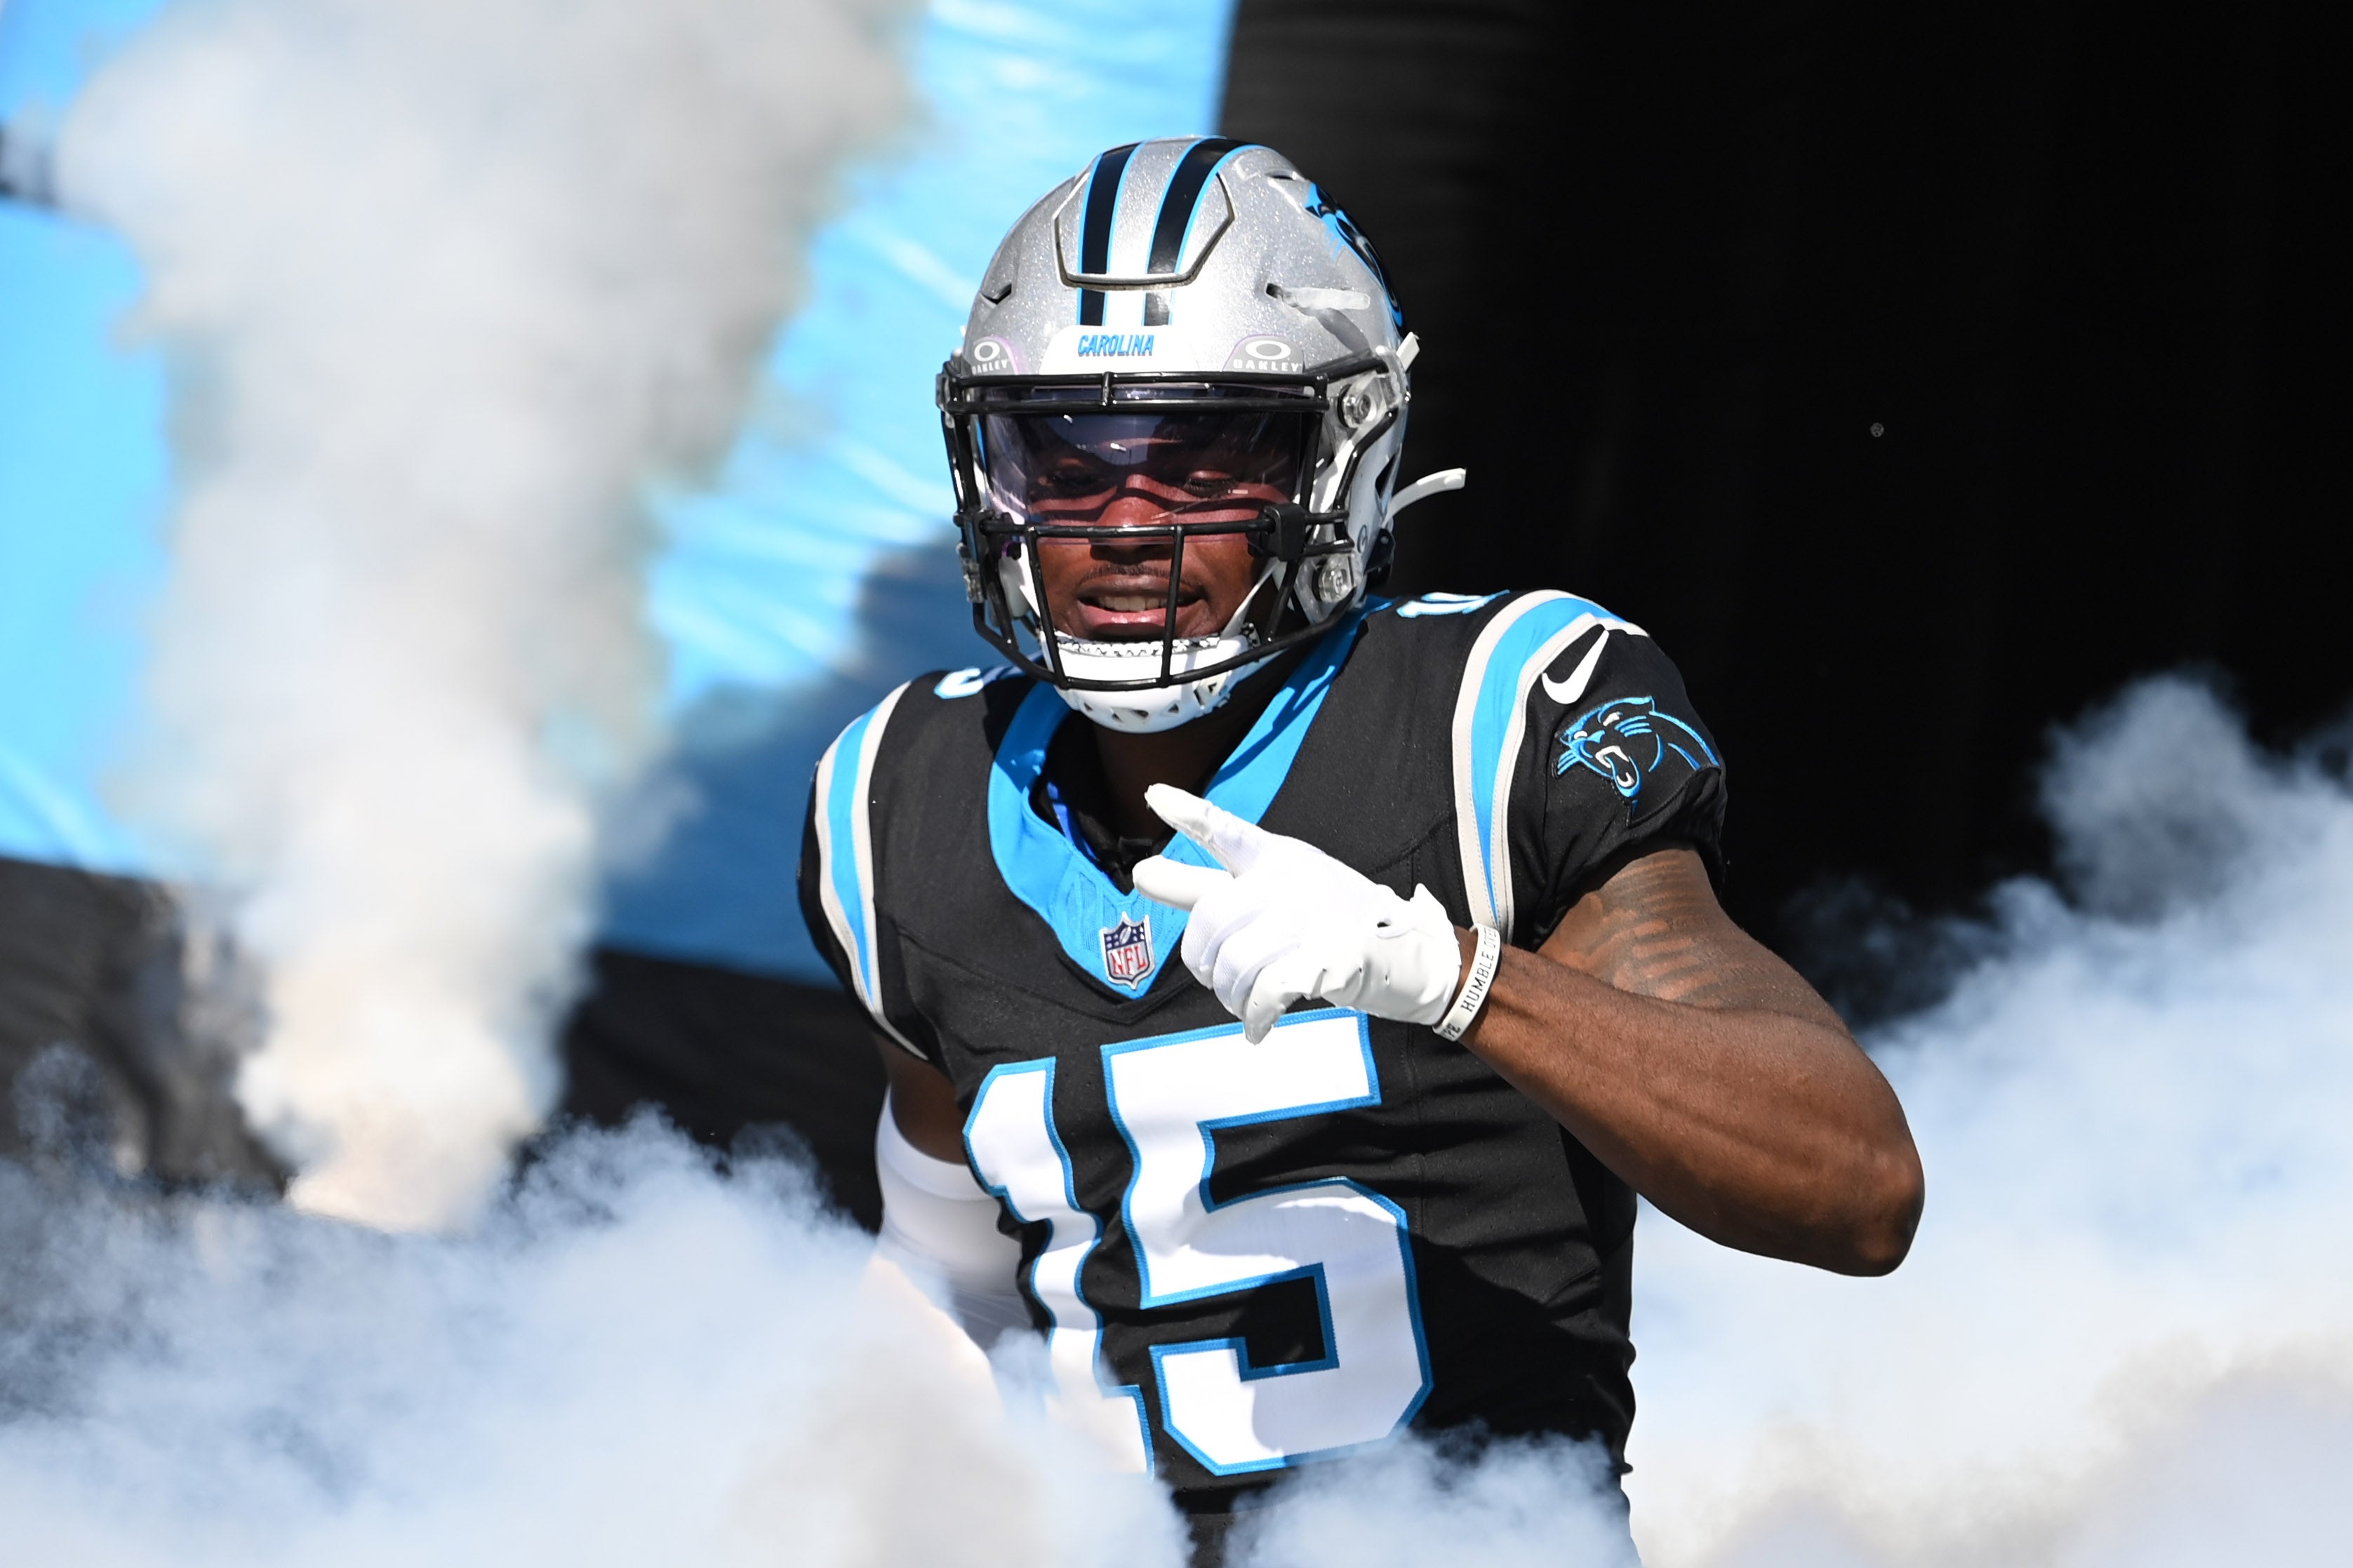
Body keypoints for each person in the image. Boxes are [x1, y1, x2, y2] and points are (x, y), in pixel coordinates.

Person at [799, 138, 1923, 1561]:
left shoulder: (1492, 715)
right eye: (1064, 454)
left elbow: (1859, 1182)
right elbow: (943, 1285)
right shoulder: (899, 794)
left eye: (1201, 450)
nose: (1127, 523)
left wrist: (1456, 976)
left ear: (1343, 456)